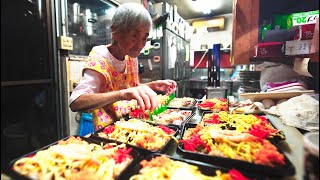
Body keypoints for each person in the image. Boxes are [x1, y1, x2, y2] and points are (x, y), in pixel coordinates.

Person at [69, 3, 176, 130]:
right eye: (134, 35)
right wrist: (121, 94)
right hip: (108, 134)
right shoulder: (101, 56)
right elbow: (76, 102)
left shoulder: (131, 57)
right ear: (116, 31)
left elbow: (129, 88)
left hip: (131, 126)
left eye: (144, 38)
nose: (140, 44)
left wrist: (153, 85)